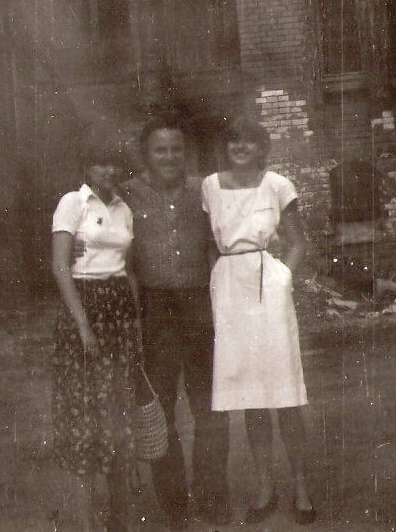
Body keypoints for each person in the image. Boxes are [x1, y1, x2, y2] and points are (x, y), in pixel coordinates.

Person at [201, 115, 316, 525]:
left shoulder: (278, 185)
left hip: (270, 289)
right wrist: (218, 284)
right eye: (233, 140)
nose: (240, 147)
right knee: (251, 398)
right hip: (230, 291)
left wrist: (283, 278)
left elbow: (298, 241)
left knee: (285, 395)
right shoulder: (210, 186)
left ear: (262, 148)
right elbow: (209, 244)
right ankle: (265, 488)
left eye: (249, 141)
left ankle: (300, 488)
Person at [121, 114, 230, 531]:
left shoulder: (204, 190)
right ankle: (175, 508)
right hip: (155, 309)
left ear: (185, 152)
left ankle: (212, 498)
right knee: (161, 409)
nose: (169, 157)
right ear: (146, 154)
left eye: (176, 149)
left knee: (210, 406)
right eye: (160, 150)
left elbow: (224, 237)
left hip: (200, 304)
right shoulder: (127, 194)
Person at [51, 144, 138, 532]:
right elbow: (59, 267)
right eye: (99, 162)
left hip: (119, 307)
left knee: (118, 410)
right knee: (84, 415)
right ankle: (87, 522)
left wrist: (135, 322)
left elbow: (127, 270)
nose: (108, 169)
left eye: (113, 163)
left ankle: (120, 518)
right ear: (86, 166)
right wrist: (84, 326)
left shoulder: (123, 209)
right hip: (83, 307)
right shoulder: (73, 203)